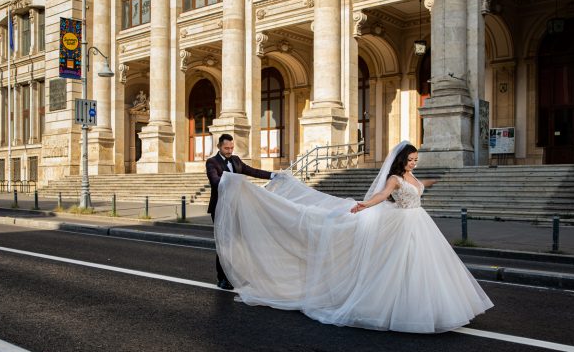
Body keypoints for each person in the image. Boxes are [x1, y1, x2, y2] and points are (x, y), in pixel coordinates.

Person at [213, 141, 493, 333]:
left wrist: (439, 179)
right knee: (398, 266)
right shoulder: (394, 179)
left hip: (420, 224)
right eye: (409, 160)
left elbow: (421, 185)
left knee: (426, 267)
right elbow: (381, 197)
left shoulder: (413, 177)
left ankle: (436, 308)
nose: (413, 164)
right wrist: (363, 206)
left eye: (415, 160)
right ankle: (403, 309)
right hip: (403, 224)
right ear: (400, 161)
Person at [206, 133, 275, 290]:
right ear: (219, 147)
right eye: (226, 148)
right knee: (224, 244)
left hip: (237, 206)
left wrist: (273, 175)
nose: (229, 151)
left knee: (237, 243)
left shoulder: (236, 160)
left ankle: (235, 275)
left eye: (231, 148)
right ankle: (222, 278)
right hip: (220, 208)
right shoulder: (212, 162)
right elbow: (215, 180)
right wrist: (232, 181)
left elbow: (253, 171)